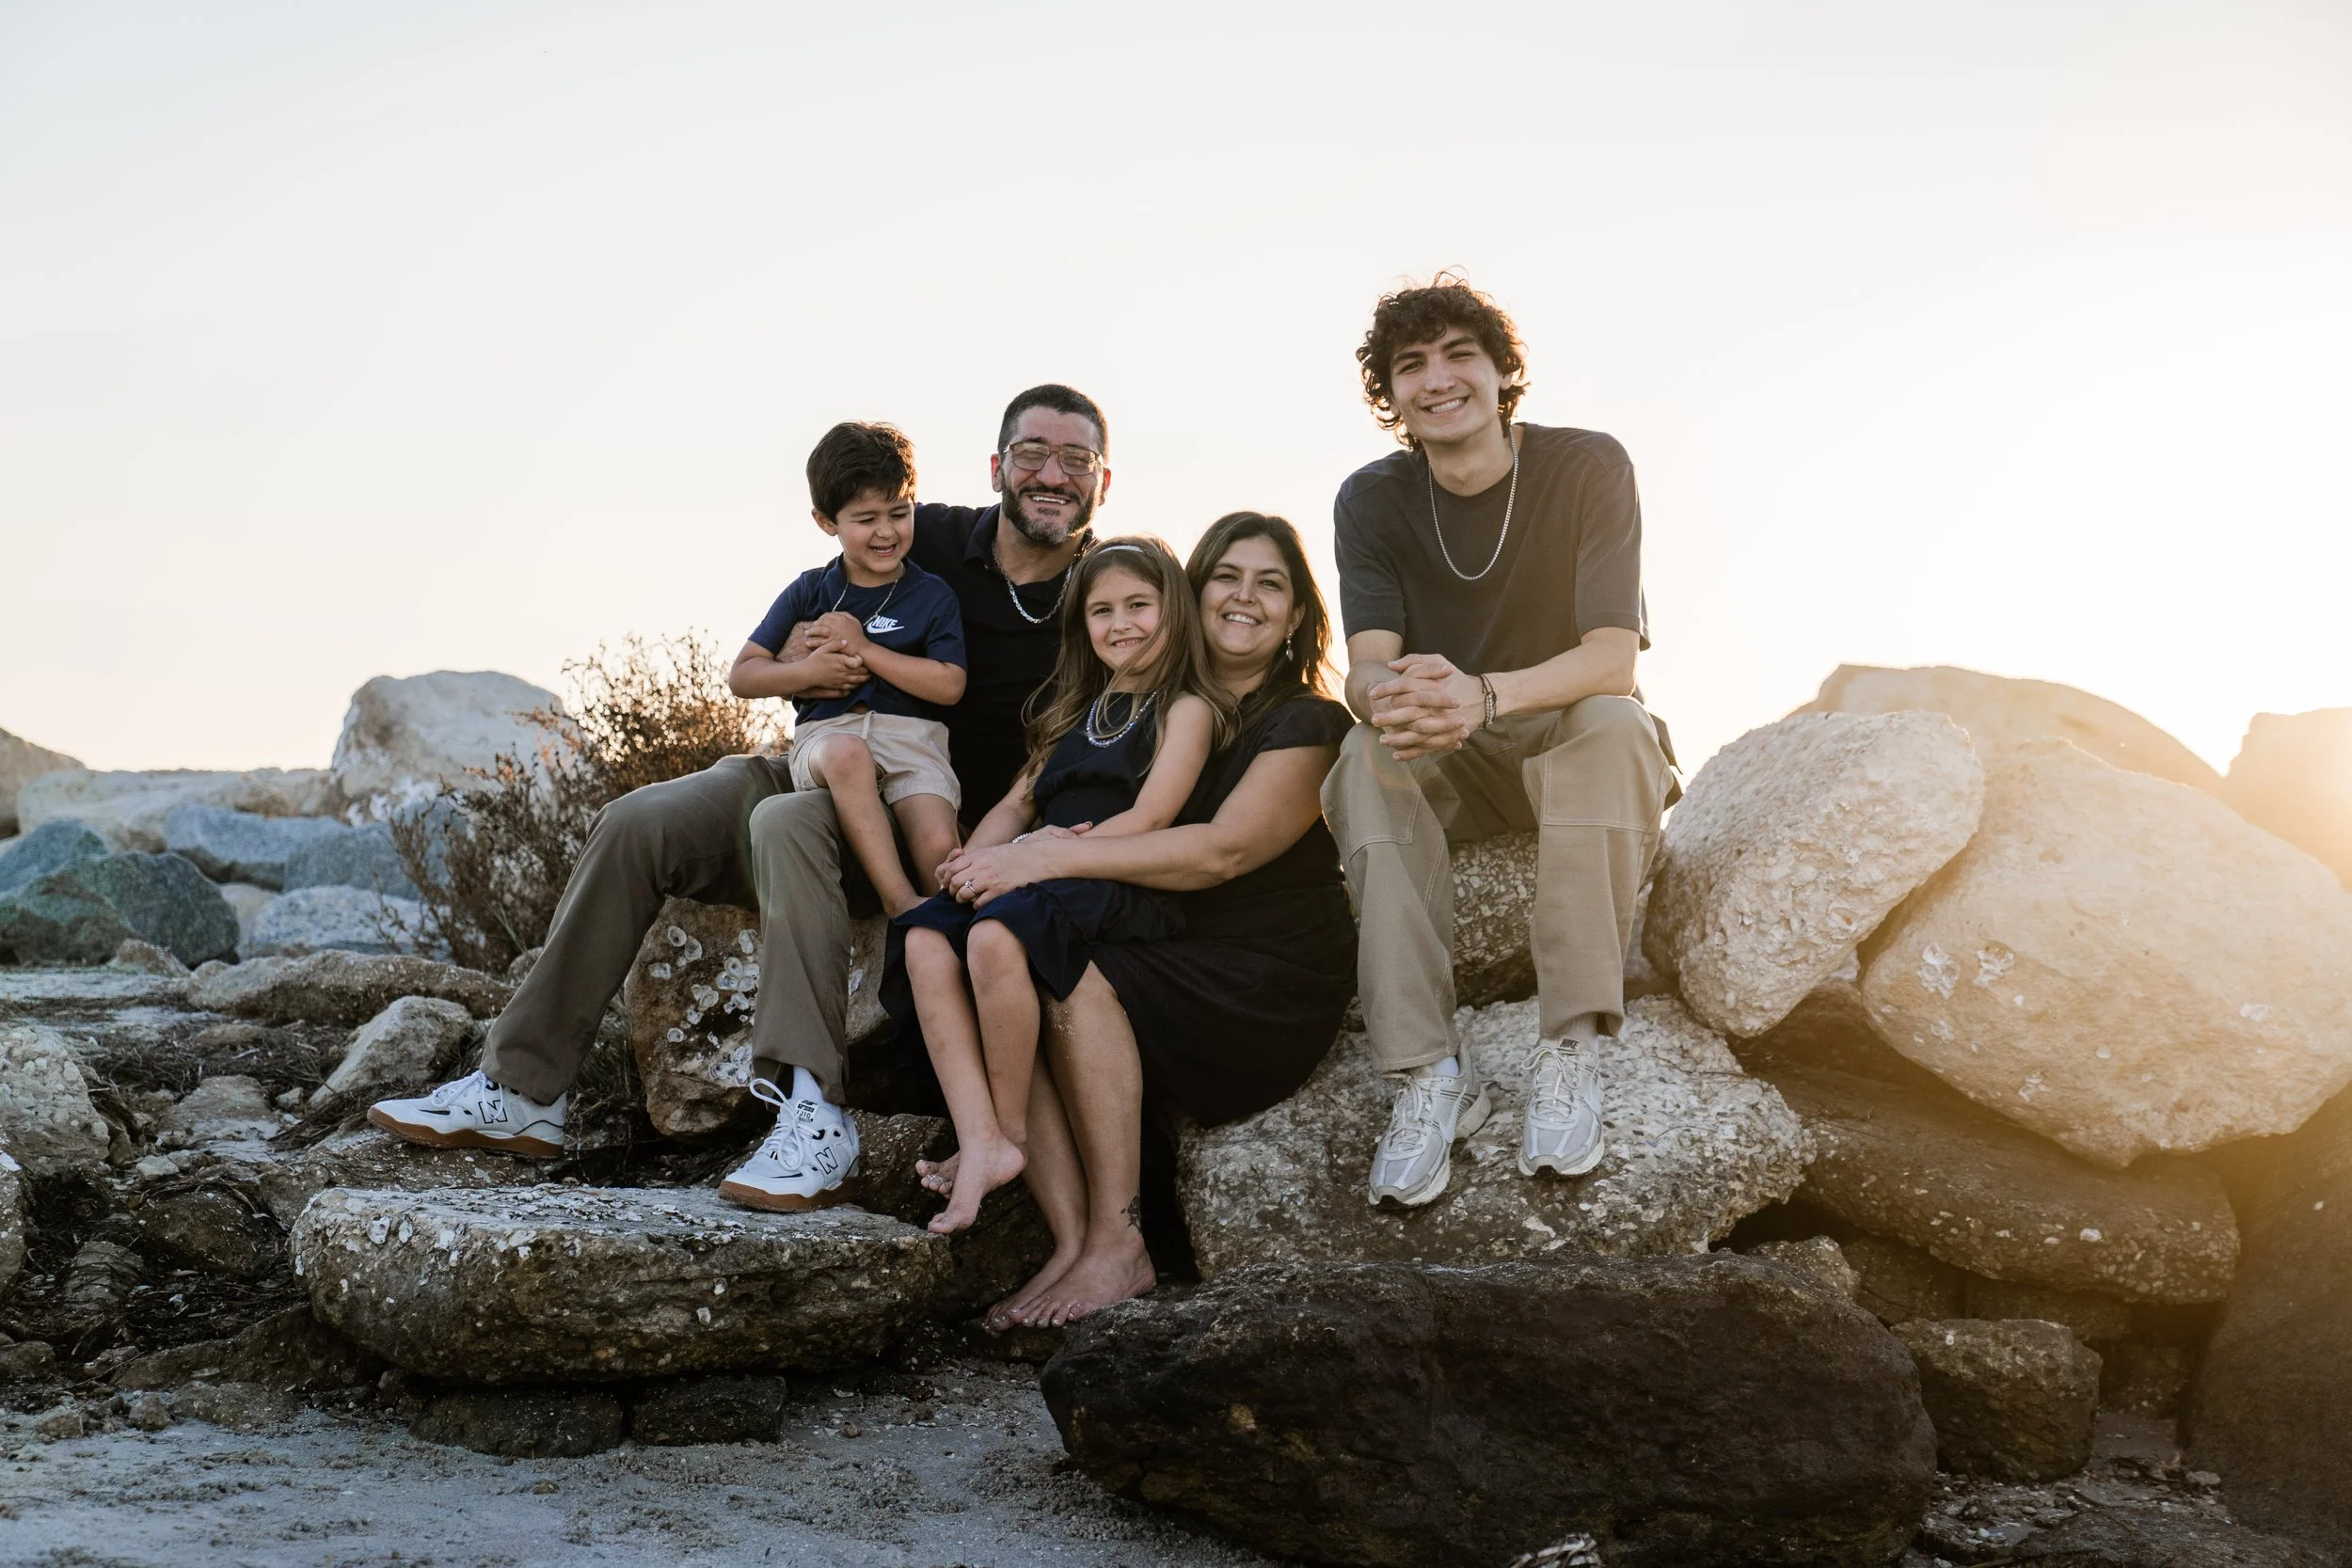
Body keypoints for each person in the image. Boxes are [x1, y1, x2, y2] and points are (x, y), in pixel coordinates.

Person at [366, 385, 1111, 1216]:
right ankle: (521, 1089)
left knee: (786, 824)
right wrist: (808, 660)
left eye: (1075, 459)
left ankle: (813, 1113)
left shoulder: (1106, 598)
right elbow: (794, 630)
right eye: (1032, 454)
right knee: (639, 820)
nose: (1052, 474)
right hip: (820, 753)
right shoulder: (923, 530)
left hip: (927, 818)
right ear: (998, 466)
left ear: (1102, 482)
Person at [931, 513, 1355, 1325]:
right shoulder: (1155, 710)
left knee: (1069, 966)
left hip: (1264, 975)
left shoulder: (1305, 721)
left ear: (1298, 615)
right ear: (1190, 598)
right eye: (1226, 577)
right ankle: (1072, 1245)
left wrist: (1044, 857)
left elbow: (1220, 854)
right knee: (1022, 950)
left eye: (1272, 584)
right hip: (1171, 939)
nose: (1245, 597)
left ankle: (1119, 1244)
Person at [1322, 274, 1674, 1209]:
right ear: (1388, 396)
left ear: (1501, 371)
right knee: (1363, 753)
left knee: (1611, 721)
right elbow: (1363, 666)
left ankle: (1573, 1047)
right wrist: (1396, 699)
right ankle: (1429, 1073)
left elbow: (1610, 660)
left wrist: (1485, 694)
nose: (1436, 379)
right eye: (1410, 365)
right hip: (1459, 757)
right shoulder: (1371, 499)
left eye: (1457, 354)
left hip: (1569, 737)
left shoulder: (1587, 465)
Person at [886, 538, 1232, 1234]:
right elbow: (1019, 803)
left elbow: (1152, 814)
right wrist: (967, 861)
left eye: (1139, 604)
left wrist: (1042, 854)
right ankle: (979, 1128)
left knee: (992, 936)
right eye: (1101, 610)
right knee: (925, 934)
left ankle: (1005, 1131)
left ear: (1175, 611)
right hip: (1033, 875)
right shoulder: (1073, 712)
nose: (1120, 623)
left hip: (1108, 873)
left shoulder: (1185, 706)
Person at [737, 421, 966, 920]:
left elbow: (949, 685)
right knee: (847, 754)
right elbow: (744, 675)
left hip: (914, 742)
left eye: (899, 513)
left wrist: (865, 649)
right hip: (829, 736)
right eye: (866, 518)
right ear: (826, 521)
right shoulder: (810, 590)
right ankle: (898, 902)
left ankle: (953, 939)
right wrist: (810, 673)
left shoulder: (932, 595)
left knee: (937, 843)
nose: (886, 532)